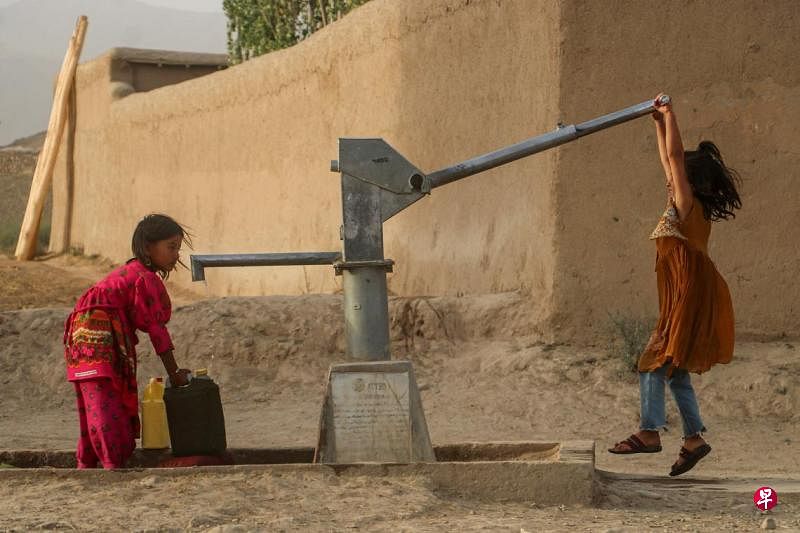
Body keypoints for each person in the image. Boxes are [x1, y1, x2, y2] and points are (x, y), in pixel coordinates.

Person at [608, 95, 742, 476]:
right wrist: (657, 124)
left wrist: (671, 114)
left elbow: (676, 159)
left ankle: (649, 432)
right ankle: (694, 438)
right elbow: (669, 160)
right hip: (686, 292)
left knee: (653, 362)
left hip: (687, 293)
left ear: (690, 181)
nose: (670, 179)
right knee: (676, 368)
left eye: (678, 177)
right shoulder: (686, 204)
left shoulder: (686, 206)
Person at [63, 214, 193, 469]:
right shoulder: (144, 278)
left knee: (95, 400)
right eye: (171, 247)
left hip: (82, 333)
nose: (176, 255)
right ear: (148, 247)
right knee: (103, 403)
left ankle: (87, 464)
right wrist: (174, 373)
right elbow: (158, 332)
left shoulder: (132, 273)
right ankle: (112, 465)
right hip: (98, 333)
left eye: (177, 248)